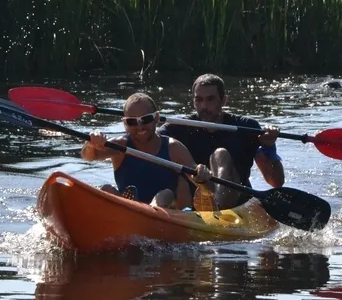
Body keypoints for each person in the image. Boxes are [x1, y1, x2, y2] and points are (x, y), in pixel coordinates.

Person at [159, 74, 284, 210]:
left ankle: (216, 208)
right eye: (199, 100)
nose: (204, 106)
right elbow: (147, 138)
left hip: (238, 205)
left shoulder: (247, 128)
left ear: (223, 100)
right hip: (195, 203)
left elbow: (276, 182)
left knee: (220, 155)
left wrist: (269, 146)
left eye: (210, 99)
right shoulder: (178, 127)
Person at [81, 92, 208, 210]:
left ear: (157, 118)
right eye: (132, 122)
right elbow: (88, 156)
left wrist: (201, 176)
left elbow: (205, 186)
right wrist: (92, 143)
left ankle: (150, 212)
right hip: (129, 209)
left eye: (146, 119)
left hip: (165, 214)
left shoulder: (173, 148)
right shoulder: (121, 146)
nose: (140, 126)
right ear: (125, 124)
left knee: (165, 195)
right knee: (106, 189)